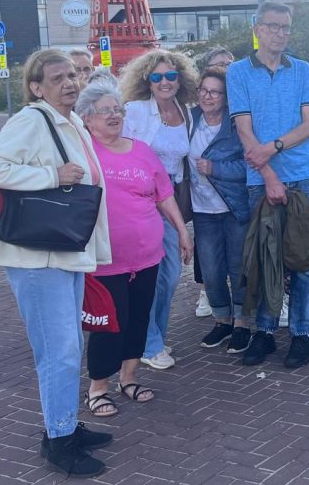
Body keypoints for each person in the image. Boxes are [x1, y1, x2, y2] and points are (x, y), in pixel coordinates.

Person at [0, 49, 112, 477]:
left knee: (66, 347)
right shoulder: (31, 119)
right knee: (58, 351)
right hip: (37, 256)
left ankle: (62, 425)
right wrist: (50, 176)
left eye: (73, 76)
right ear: (36, 87)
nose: (69, 83)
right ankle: (60, 441)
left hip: (61, 250)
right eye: (58, 78)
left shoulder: (70, 119)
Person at [79, 80, 193, 416]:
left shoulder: (141, 149)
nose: (114, 115)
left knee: (139, 318)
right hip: (104, 260)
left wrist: (182, 233)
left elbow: (164, 194)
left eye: (117, 109)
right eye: (105, 111)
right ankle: (97, 388)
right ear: (87, 119)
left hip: (147, 256)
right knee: (109, 324)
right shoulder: (83, 152)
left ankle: (128, 379)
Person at [226, 2, 309, 368]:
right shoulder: (238, 72)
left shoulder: (303, 70)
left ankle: (302, 334)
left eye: (286, 27)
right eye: (273, 26)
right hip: (259, 180)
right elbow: (243, 129)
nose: (280, 33)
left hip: (302, 175)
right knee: (265, 259)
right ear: (257, 28)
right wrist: (268, 174)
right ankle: (264, 332)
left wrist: (274, 147)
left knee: (302, 259)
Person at [120, 49, 198, 371]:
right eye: (156, 77)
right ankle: (149, 344)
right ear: (147, 82)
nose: (164, 82)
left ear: (180, 79)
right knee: (152, 275)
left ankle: (154, 337)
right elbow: (120, 151)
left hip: (171, 197)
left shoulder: (188, 112)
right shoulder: (135, 111)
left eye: (170, 76)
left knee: (170, 274)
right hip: (140, 198)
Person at [187, 68, 254, 352]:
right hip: (202, 210)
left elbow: (250, 163)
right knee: (212, 271)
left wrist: (217, 169)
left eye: (214, 91)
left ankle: (242, 324)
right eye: (203, 89)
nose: (207, 96)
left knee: (238, 268)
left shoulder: (236, 125)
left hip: (233, 207)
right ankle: (222, 321)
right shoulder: (189, 120)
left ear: (226, 97)